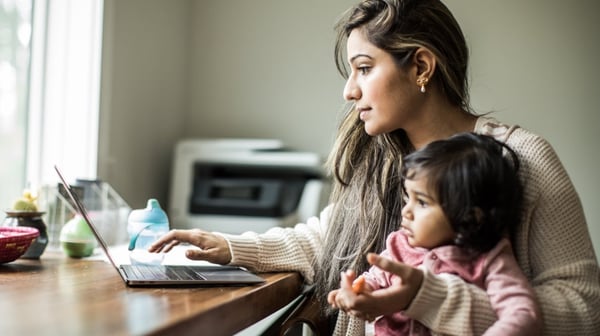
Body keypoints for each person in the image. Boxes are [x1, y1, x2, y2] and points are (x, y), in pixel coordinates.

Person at [149, 0, 600, 334]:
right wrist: (228, 247)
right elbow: (329, 240)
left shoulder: (520, 159)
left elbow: (584, 305)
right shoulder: (377, 157)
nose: (349, 91)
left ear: (421, 66)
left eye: (364, 68)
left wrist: (431, 299)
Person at [327, 132, 542, 335]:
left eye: (421, 202)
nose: (406, 211)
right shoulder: (400, 247)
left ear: (470, 217)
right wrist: (358, 291)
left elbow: (523, 314)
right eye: (406, 199)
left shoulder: (489, 259)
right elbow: (373, 279)